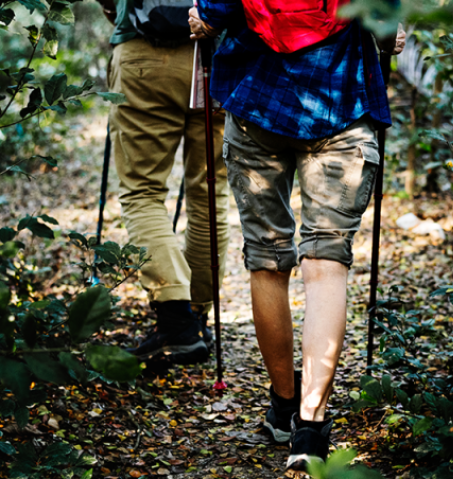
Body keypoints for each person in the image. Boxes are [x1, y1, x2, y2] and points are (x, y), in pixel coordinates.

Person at [190, 2, 404, 470]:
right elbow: (387, 22)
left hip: (257, 104)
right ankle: (310, 428)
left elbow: (213, 11)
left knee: (267, 259)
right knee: (326, 266)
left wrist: (202, 17)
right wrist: (391, 37)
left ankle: (284, 407)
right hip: (342, 104)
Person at [96, 0, 230, 365]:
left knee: (142, 191)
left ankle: (176, 321)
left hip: (144, 56)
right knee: (210, 190)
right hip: (217, 55)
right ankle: (197, 318)